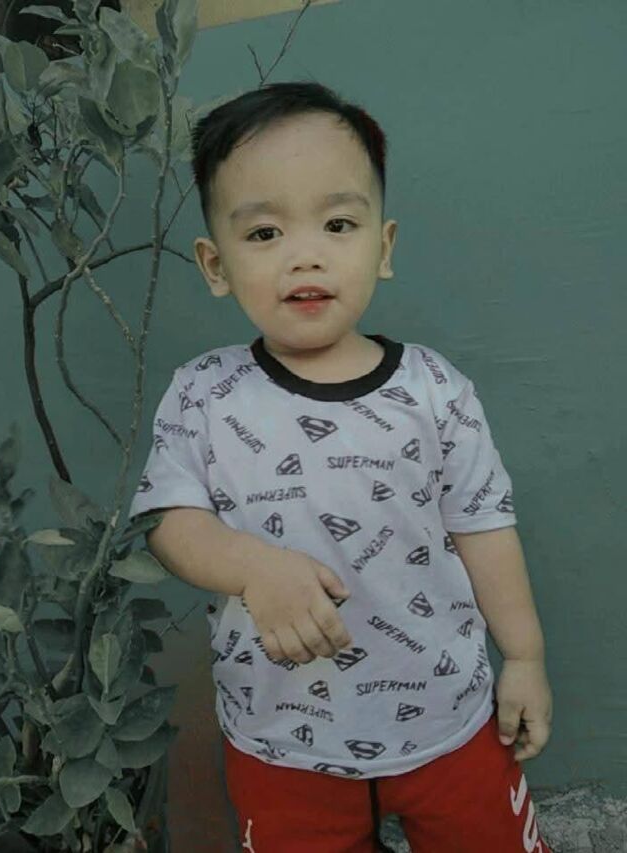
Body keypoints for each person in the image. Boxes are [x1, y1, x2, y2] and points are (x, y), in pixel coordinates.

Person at [128, 81, 554, 852]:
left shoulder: (436, 390)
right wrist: (252, 566)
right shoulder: (204, 394)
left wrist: (523, 655)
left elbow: (485, 527)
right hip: (281, 736)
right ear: (215, 263)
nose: (306, 254)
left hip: (446, 720)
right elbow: (169, 520)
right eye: (264, 232)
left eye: (337, 223)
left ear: (382, 247)